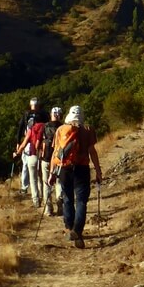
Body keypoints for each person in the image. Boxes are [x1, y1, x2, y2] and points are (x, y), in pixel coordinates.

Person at [48, 105, 102, 249]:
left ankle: (69, 228)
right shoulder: (88, 130)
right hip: (82, 169)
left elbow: (55, 153)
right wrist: (98, 171)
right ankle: (77, 231)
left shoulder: (61, 130)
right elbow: (92, 152)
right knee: (81, 201)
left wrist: (52, 173)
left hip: (64, 169)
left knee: (67, 199)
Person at [13, 114, 46, 207]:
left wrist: (17, 153)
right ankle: (44, 198)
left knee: (33, 180)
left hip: (33, 156)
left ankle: (36, 201)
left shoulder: (31, 130)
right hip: (43, 157)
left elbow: (23, 145)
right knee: (42, 179)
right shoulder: (45, 127)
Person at [15, 97, 45, 193]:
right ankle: (42, 188)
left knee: (26, 164)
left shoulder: (26, 114)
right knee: (39, 165)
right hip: (41, 142)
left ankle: (25, 187)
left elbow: (20, 128)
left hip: (28, 141)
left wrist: (18, 142)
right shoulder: (43, 114)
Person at [41, 106, 64, 216]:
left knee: (46, 184)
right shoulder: (63, 127)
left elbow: (44, 143)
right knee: (59, 183)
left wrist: (42, 154)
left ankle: (48, 209)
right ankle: (60, 207)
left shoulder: (45, 126)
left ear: (51, 115)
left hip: (46, 158)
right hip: (59, 159)